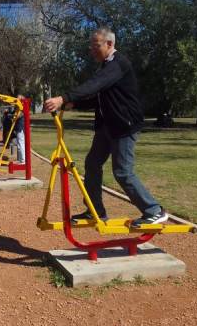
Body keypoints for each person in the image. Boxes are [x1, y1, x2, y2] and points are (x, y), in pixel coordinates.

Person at [44, 27, 168, 227]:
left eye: (96, 45)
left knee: (122, 172)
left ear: (109, 44)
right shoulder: (105, 67)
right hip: (106, 127)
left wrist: (64, 97)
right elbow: (101, 98)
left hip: (124, 126)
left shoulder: (118, 64)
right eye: (91, 46)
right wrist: (75, 104)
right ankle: (95, 211)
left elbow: (96, 84)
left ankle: (154, 210)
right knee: (92, 164)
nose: (92, 50)